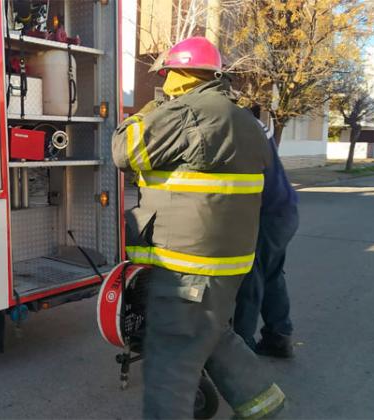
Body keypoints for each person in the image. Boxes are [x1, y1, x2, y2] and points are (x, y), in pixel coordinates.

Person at [113, 36, 285, 419]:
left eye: (170, 75)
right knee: (212, 336)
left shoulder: (186, 114)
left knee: (169, 364)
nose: (166, 82)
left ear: (182, 76)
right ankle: (267, 408)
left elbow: (124, 149)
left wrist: (156, 106)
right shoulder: (247, 122)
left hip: (186, 267)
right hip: (227, 266)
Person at [233, 109, 300, 359]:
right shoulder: (253, 123)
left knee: (251, 278)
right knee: (271, 275)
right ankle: (279, 337)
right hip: (284, 211)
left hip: (268, 215)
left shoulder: (237, 127)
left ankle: (240, 351)